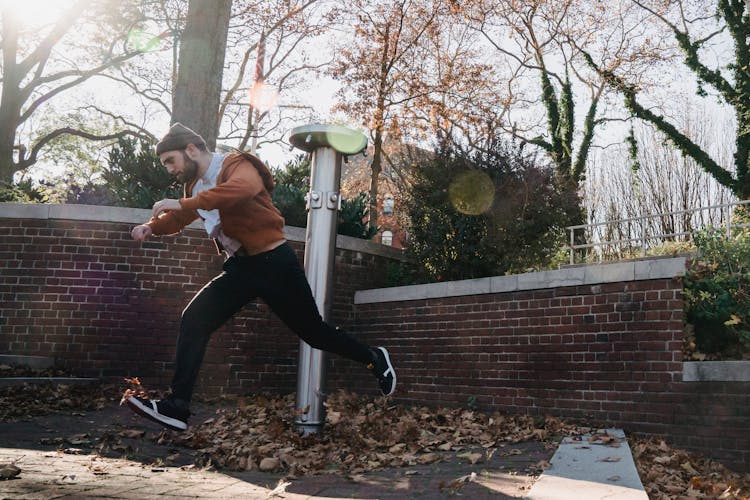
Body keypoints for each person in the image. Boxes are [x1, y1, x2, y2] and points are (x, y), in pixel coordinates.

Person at [123, 123, 396, 431]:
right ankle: (177, 407)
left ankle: (374, 358)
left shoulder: (235, 165)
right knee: (194, 319)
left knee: (314, 332)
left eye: (170, 161)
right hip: (242, 268)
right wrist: (152, 227)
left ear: (190, 150)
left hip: (274, 262)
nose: (170, 170)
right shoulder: (196, 187)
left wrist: (184, 203)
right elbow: (181, 217)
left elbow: (241, 191)